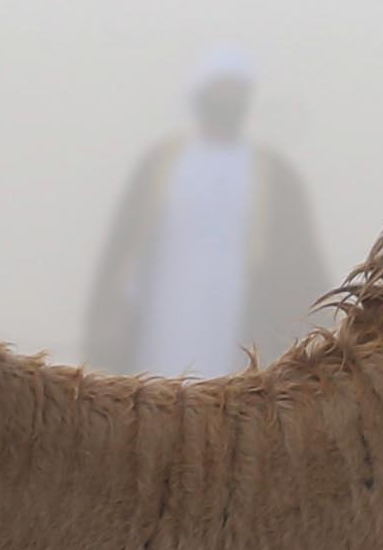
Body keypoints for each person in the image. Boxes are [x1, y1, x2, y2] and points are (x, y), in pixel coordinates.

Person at [79, 48, 331, 375]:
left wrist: (320, 331)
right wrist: (104, 319)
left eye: (236, 91)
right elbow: (121, 247)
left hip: (240, 329)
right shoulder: (161, 163)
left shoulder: (274, 175)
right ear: (201, 95)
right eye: (220, 90)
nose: (228, 99)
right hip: (162, 321)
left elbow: (299, 259)